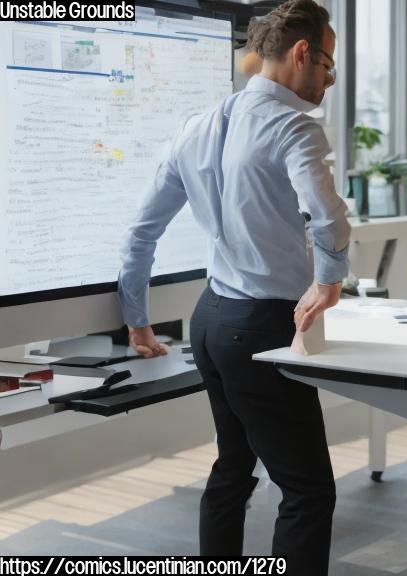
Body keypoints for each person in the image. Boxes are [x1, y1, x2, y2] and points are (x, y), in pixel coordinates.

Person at [116, 0, 348, 572]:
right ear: (302, 54)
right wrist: (329, 280)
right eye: (328, 67)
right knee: (307, 489)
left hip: (211, 320)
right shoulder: (294, 125)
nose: (327, 81)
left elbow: (142, 231)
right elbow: (329, 217)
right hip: (263, 326)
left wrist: (138, 317)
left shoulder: (196, 126)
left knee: (233, 467)